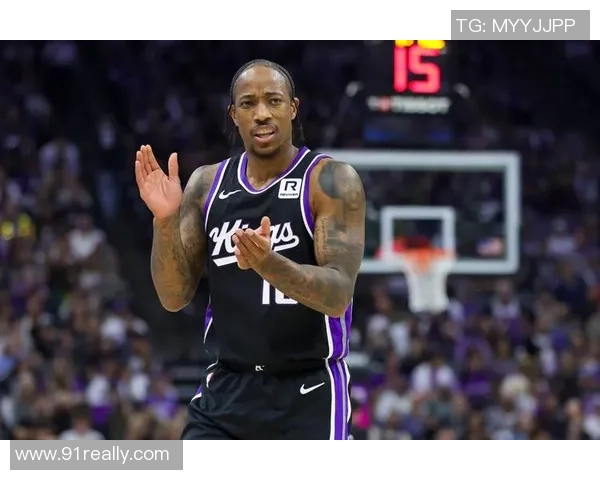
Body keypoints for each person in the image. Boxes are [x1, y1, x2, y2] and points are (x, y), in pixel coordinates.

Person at [134, 59, 366, 440]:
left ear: (293, 108)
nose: (261, 114)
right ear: (234, 115)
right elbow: (173, 297)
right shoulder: (206, 184)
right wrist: (164, 221)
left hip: (307, 389)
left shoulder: (329, 180)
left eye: (273, 100)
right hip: (226, 388)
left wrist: (269, 264)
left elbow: (339, 294)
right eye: (248, 103)